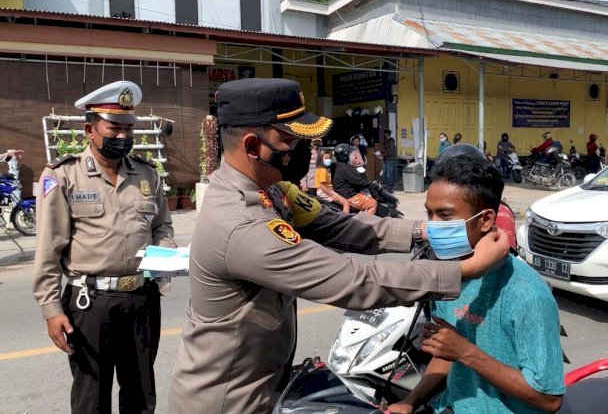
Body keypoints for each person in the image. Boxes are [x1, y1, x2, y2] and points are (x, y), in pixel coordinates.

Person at [167, 78, 509, 413]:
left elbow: (342, 226)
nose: (302, 151)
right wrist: (464, 269)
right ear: (253, 146)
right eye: (289, 140)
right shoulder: (240, 223)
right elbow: (350, 278)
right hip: (226, 400)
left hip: (262, 383)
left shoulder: (272, 190)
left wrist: (427, 230)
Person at [31, 80, 176, 413]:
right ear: (90, 130)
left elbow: (161, 226)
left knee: (140, 393)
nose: (123, 136)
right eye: (114, 128)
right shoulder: (63, 176)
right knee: (91, 397)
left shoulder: (146, 174)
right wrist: (52, 311)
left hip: (141, 299)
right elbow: (48, 249)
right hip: (90, 303)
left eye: (129, 129)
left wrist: (165, 259)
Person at [388, 154, 565, 414]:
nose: (432, 226)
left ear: (485, 220)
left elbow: (548, 399)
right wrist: (410, 401)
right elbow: (446, 354)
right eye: (429, 213)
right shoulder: (449, 275)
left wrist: (465, 352)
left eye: (445, 215)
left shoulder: (527, 294)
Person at [333, 143, 378, 215]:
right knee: (373, 203)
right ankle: (366, 224)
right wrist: (372, 184)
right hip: (349, 196)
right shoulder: (346, 168)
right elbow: (359, 182)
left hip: (341, 193)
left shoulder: (337, 166)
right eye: (350, 153)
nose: (352, 155)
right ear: (345, 155)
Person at [315, 149, 350, 213]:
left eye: (329, 158)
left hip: (326, 191)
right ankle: (345, 220)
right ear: (321, 159)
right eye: (326, 158)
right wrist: (332, 195)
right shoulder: (323, 170)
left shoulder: (322, 169)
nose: (328, 160)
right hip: (325, 192)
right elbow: (322, 186)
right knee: (346, 203)